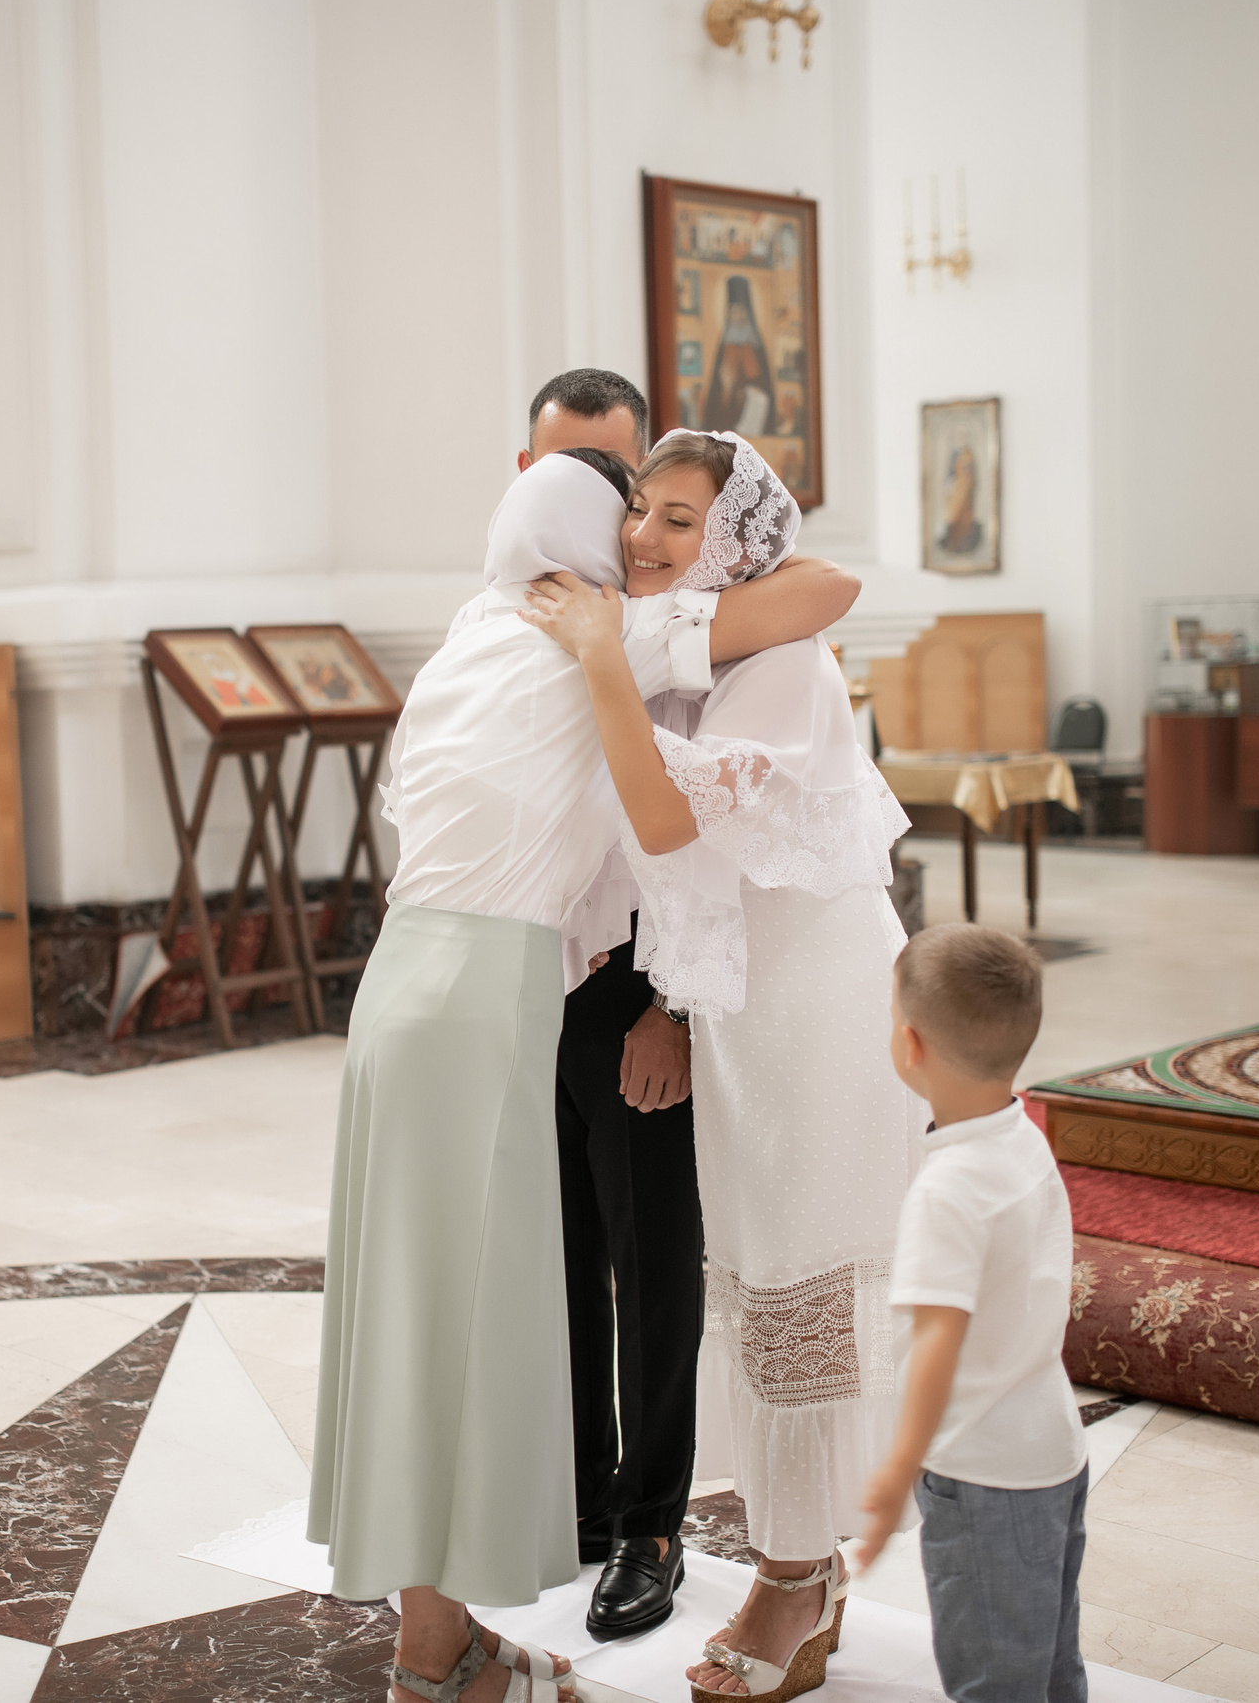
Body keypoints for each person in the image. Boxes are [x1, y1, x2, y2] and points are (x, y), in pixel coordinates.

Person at [311, 450, 860, 1703]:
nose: (639, 542)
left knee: (417, 1311)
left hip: (399, 979)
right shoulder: (597, 630)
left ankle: (439, 1636)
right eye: (626, 519)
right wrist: (615, 625)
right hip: (488, 987)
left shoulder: (466, 636)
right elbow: (824, 589)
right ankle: (427, 1660)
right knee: (472, 1324)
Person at [521, 430, 918, 1702]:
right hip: (744, 1001)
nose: (643, 536)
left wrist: (594, 659)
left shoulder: (780, 656)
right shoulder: (699, 644)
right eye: (640, 508)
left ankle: (792, 1582)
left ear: (737, 540)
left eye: (679, 519)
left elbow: (668, 821)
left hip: (807, 1004)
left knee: (789, 1264)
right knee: (753, 1272)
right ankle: (803, 1560)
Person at [518, 370, 707, 1644]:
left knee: (650, 1264)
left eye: (614, 479)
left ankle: (650, 1524)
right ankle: (582, 1495)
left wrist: (676, 1010)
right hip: (525, 981)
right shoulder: (502, 607)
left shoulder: (692, 629)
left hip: (642, 982)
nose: (601, 509)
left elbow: (707, 845)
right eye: (566, 472)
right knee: (555, 1257)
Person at [854, 924, 1088, 1703]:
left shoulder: (947, 1189)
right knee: (1051, 1665)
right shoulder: (1021, 1137)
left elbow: (936, 1344)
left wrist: (893, 1471)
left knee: (994, 1680)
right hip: (1051, 1447)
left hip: (981, 1470)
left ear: (910, 1045)